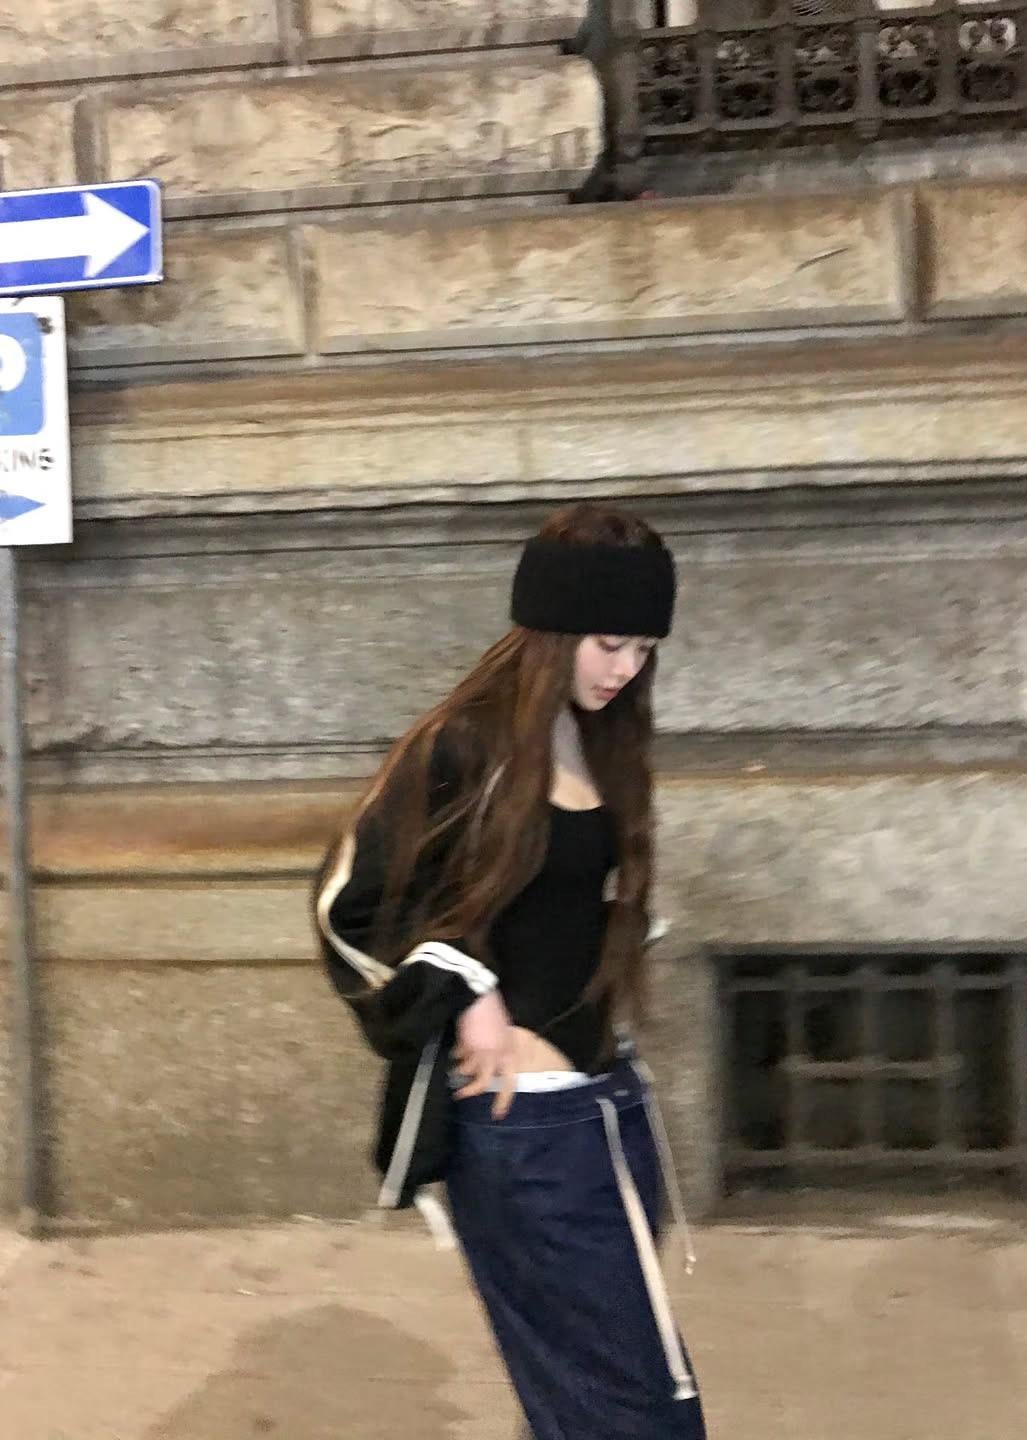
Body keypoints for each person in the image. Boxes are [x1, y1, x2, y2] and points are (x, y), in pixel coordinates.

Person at [314, 502, 706, 1439]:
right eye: (608, 644)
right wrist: (465, 987)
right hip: (525, 1127)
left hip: (607, 1105)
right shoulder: (463, 745)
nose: (625, 669)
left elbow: (552, 900)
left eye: (644, 649)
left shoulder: (600, 735)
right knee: (633, 1407)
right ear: (551, 630)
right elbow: (347, 909)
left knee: (588, 1396)